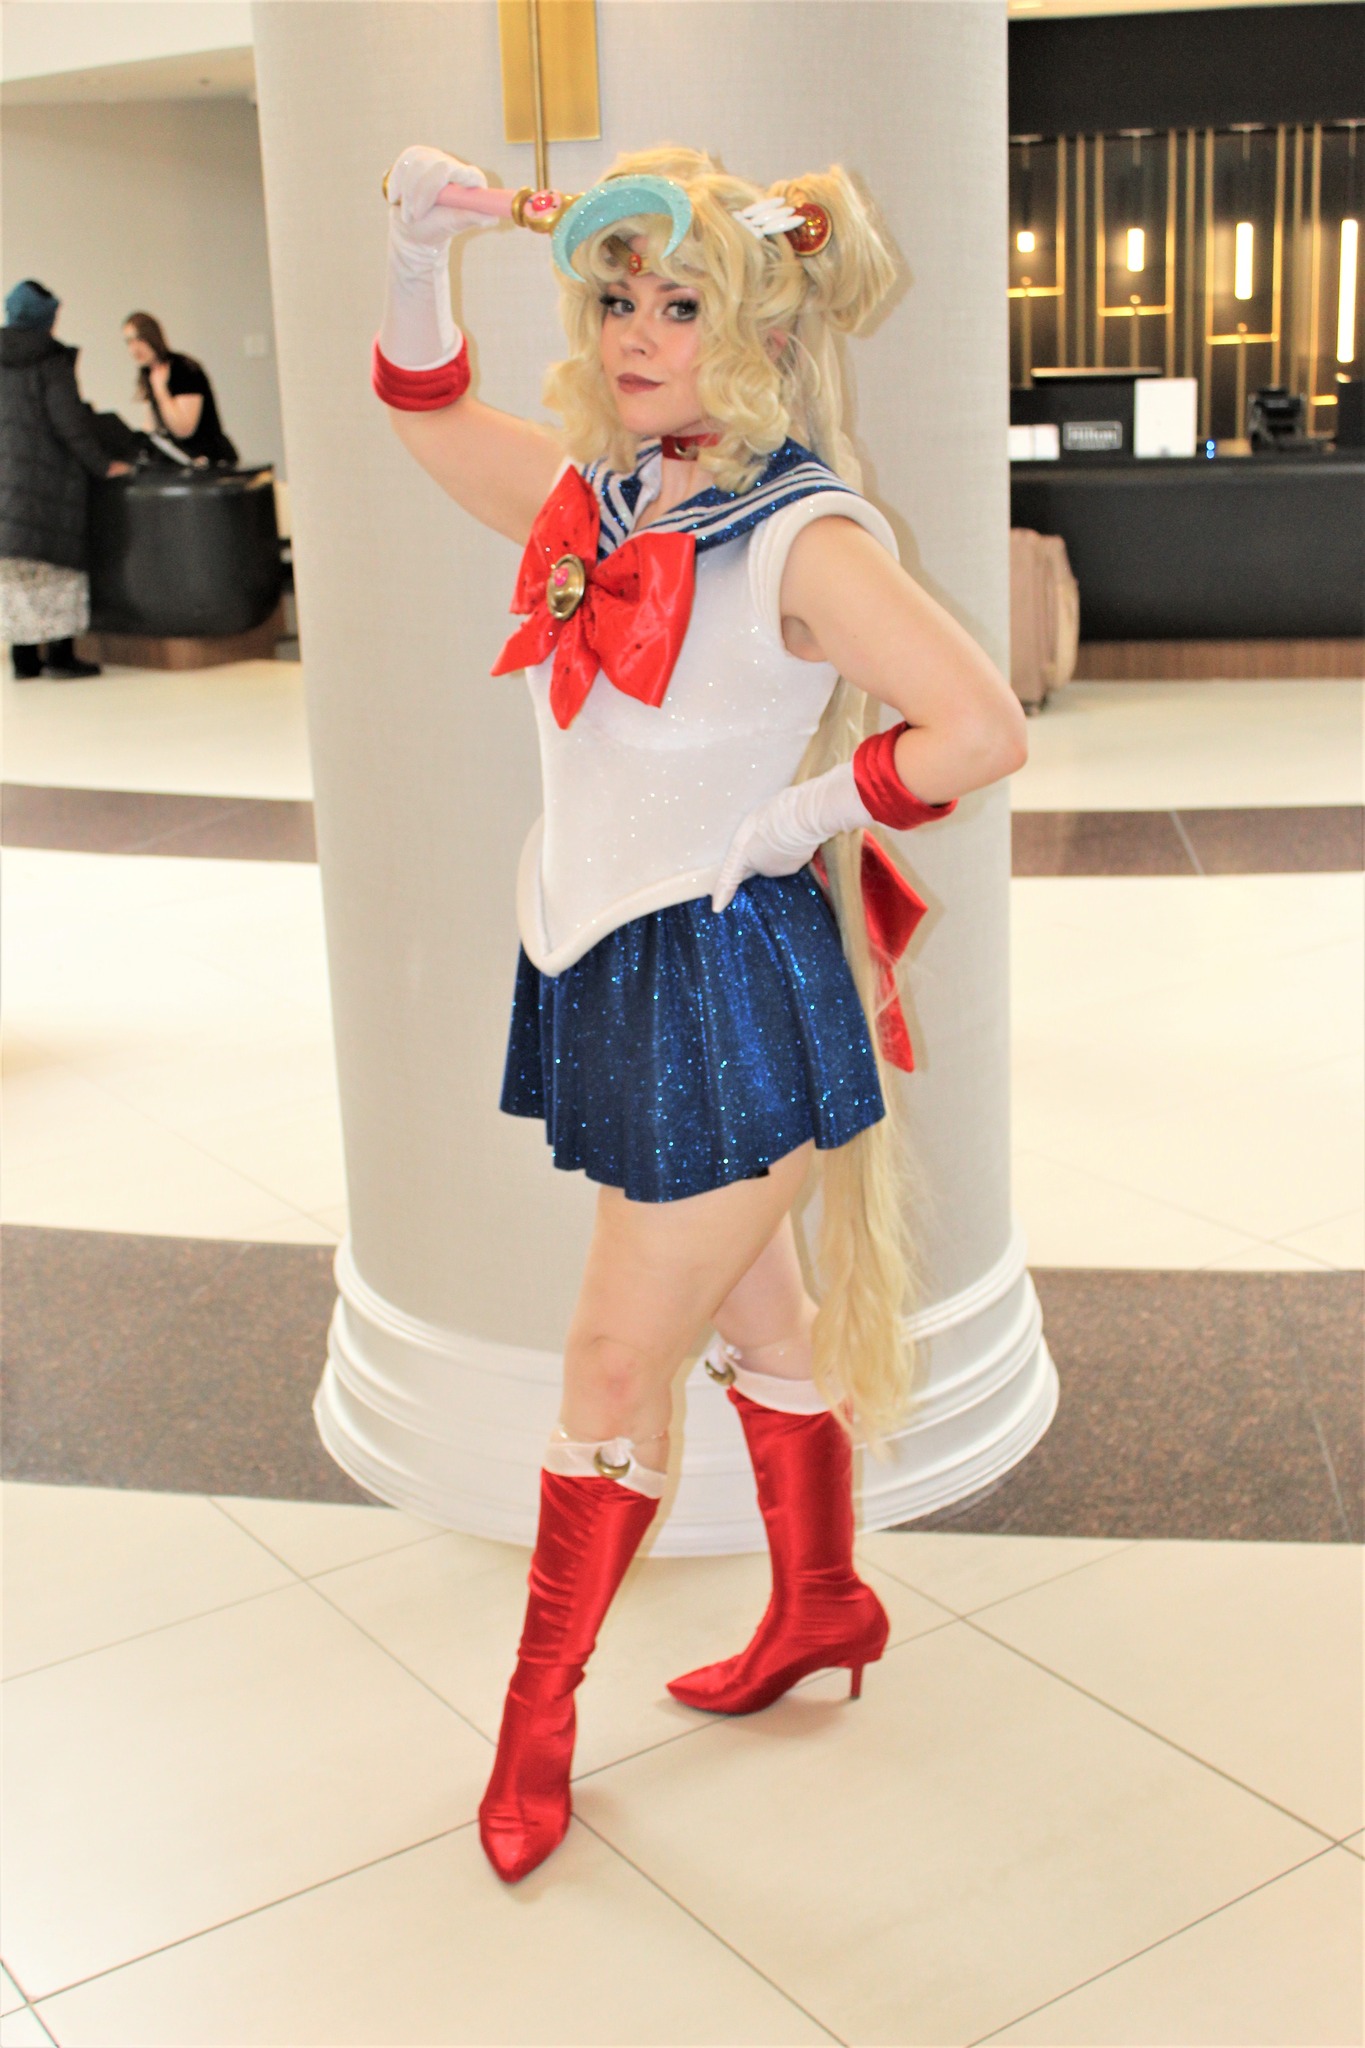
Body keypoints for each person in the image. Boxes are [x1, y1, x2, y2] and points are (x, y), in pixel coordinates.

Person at [374, 145, 1027, 1885]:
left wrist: (794, 819)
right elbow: (426, 416)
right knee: (759, 1308)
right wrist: (415, 254)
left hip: (727, 981)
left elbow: (980, 727)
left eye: (679, 304)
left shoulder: (802, 530)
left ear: (758, 331)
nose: (639, 333)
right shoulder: (605, 498)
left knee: (611, 1364)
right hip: (612, 963)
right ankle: (823, 1600)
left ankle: (535, 1725)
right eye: (618, 299)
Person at [0, 279, 130, 680]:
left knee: (18, 572)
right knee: (58, 570)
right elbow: (69, 423)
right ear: (45, 318)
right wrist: (102, 465)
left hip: (6, 483)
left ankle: (24, 658)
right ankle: (60, 654)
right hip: (51, 482)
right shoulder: (51, 359)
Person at [122, 311, 238, 466]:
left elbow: (184, 429)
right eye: (129, 342)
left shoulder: (183, 368)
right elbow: (152, 426)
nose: (134, 349)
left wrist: (162, 392)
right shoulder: (149, 374)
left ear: (152, 337)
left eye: (139, 339)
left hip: (210, 459)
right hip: (183, 460)